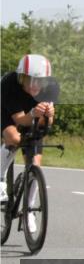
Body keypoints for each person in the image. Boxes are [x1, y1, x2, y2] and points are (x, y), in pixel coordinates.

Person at [1, 54, 60, 234]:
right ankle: (1, 180)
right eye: (28, 79)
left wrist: (48, 115)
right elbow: (20, 120)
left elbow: (48, 123)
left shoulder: (52, 87)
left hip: (32, 115)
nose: (33, 85)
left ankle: (29, 210)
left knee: (35, 163)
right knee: (14, 138)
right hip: (7, 112)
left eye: (38, 81)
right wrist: (34, 112)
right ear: (21, 77)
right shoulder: (10, 83)